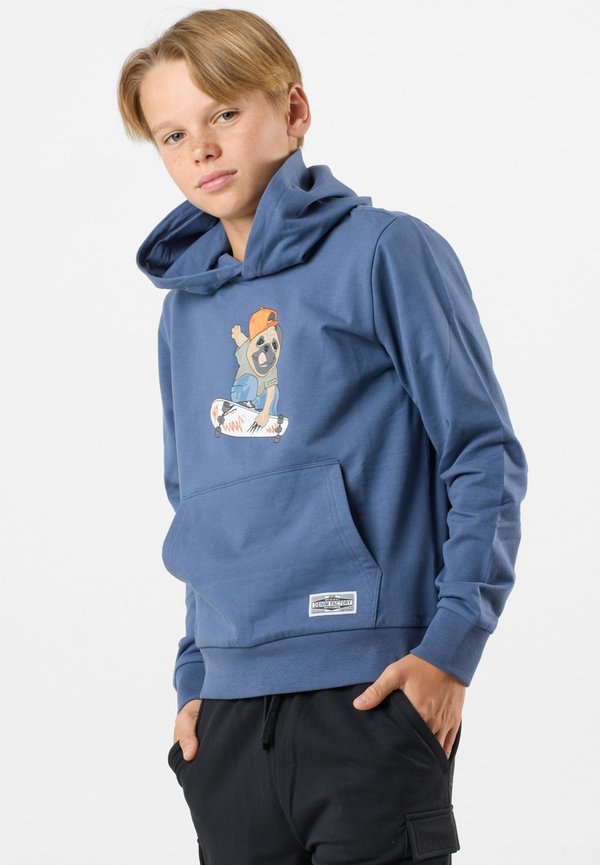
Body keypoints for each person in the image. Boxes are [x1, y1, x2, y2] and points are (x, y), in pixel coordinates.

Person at [117, 9, 527, 865]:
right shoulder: (183, 313)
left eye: (224, 112)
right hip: (227, 717)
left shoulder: (385, 252)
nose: (201, 148)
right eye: (173, 134)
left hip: (368, 695)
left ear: (294, 111)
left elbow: (480, 454)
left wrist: (449, 652)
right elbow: (195, 502)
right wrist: (195, 676)